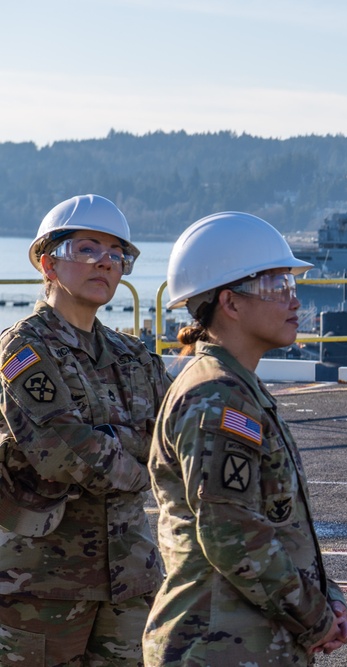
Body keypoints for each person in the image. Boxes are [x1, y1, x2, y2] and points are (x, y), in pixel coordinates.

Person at [142, 212, 347, 665]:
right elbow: (230, 530)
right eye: (277, 287)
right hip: (217, 645)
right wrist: (315, 616)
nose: (295, 301)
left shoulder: (237, 386)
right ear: (230, 303)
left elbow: (278, 521)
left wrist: (326, 597)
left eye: (291, 287)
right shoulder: (217, 396)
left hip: (247, 641)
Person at [0, 194, 169, 665]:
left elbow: (177, 439)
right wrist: (142, 466)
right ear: (48, 262)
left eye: (117, 254)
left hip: (130, 580)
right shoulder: (23, 350)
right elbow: (63, 451)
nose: (106, 263)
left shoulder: (133, 356)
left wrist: (117, 445)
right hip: (42, 584)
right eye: (88, 249)